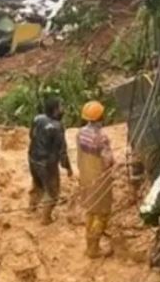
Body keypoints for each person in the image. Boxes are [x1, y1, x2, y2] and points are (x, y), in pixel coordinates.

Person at [77, 101, 115, 259]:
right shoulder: (101, 137)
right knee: (101, 214)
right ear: (101, 116)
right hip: (99, 178)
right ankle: (93, 249)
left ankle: (89, 243)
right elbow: (108, 161)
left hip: (85, 176)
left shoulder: (80, 133)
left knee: (90, 211)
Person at [28, 97, 72, 225]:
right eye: (61, 107)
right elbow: (62, 151)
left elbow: (32, 135)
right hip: (47, 164)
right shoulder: (57, 127)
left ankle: (31, 208)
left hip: (33, 158)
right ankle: (45, 219)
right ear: (55, 110)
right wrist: (67, 167)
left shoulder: (37, 119)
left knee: (37, 184)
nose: (63, 109)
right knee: (53, 192)